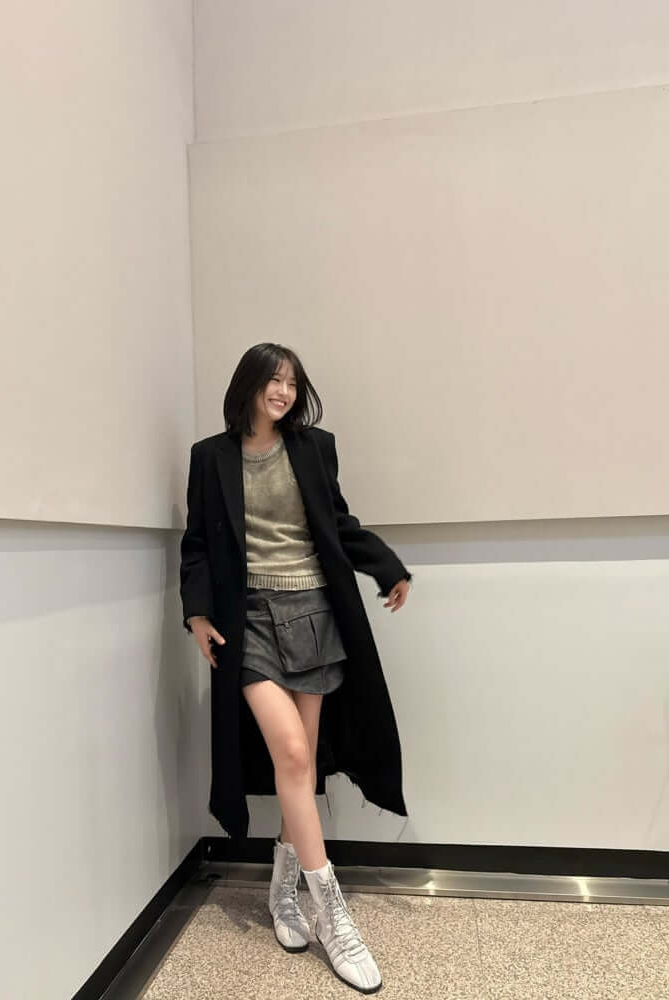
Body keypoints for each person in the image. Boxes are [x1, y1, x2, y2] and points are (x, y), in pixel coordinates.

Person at [180, 343, 412, 995]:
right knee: (288, 752)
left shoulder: (314, 448)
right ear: (249, 386)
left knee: (302, 766)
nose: (283, 391)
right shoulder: (210, 457)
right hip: (249, 619)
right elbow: (197, 544)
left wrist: (387, 565)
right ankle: (332, 916)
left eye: (291, 382)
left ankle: (283, 892)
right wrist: (196, 613)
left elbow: (337, 523)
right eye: (272, 380)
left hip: (313, 614)